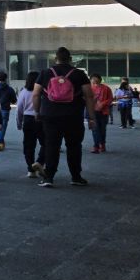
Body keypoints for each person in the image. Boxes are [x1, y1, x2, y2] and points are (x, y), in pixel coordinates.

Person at [32, 47, 94, 188]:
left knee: (52, 146)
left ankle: (49, 177)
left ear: (55, 59)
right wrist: (91, 117)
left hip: (50, 116)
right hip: (73, 116)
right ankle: (76, 177)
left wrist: (37, 112)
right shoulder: (79, 74)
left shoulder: (45, 73)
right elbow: (89, 96)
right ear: (70, 59)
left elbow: (35, 94)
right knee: (74, 146)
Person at [15, 71, 45, 178]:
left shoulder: (24, 92)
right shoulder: (43, 92)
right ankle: (40, 162)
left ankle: (31, 169)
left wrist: (19, 123)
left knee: (28, 146)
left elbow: (19, 109)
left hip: (27, 120)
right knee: (46, 143)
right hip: (42, 119)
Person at [90, 74, 114, 153]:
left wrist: (103, 104)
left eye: (96, 80)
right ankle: (96, 146)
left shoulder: (106, 88)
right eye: (93, 80)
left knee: (102, 129)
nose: (95, 81)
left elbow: (110, 98)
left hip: (103, 112)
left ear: (100, 80)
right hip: (93, 112)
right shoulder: (89, 88)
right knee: (95, 129)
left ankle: (102, 144)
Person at [0, 72, 16, 151]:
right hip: (5, 110)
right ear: (6, 78)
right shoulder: (9, 89)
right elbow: (14, 101)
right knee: (2, 127)